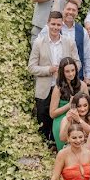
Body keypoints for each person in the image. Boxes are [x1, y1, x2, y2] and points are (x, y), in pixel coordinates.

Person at [29, 12, 79, 143]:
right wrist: (49, 69)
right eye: (53, 24)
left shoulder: (69, 42)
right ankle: (46, 148)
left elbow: (77, 63)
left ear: (62, 24)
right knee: (44, 121)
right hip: (45, 88)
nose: (55, 27)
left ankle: (60, 146)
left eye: (58, 24)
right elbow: (31, 67)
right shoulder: (39, 43)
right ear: (48, 24)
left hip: (64, 88)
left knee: (61, 119)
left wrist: (67, 71)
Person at [38, 0, 90, 86]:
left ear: (77, 13)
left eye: (74, 10)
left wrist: (88, 76)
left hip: (74, 78)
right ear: (63, 10)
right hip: (51, 79)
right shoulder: (50, 27)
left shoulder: (82, 31)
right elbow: (38, 48)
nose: (70, 12)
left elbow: (88, 55)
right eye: (68, 9)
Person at [50, 57, 86, 151]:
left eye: (73, 70)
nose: (71, 74)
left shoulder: (83, 85)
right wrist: (69, 105)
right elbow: (52, 113)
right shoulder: (58, 88)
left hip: (79, 117)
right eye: (67, 71)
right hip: (61, 119)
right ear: (62, 72)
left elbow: (87, 105)